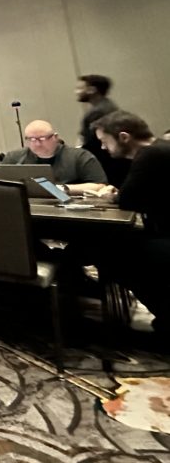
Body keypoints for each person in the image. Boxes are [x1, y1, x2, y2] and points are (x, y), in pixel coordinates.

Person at [90, 111, 170, 340]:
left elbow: (127, 200)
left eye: (105, 141)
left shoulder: (149, 155)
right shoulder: (160, 148)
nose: (103, 148)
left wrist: (113, 196)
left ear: (124, 137)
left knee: (110, 256)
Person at [2, 119, 107, 194]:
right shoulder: (14, 158)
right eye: (32, 139)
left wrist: (62, 189)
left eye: (42, 139)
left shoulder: (80, 156)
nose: (37, 144)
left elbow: (101, 186)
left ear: (55, 137)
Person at [76, 75, 128, 186]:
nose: (76, 92)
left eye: (80, 88)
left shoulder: (98, 112)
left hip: (107, 164)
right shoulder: (108, 106)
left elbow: (91, 142)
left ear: (92, 90)